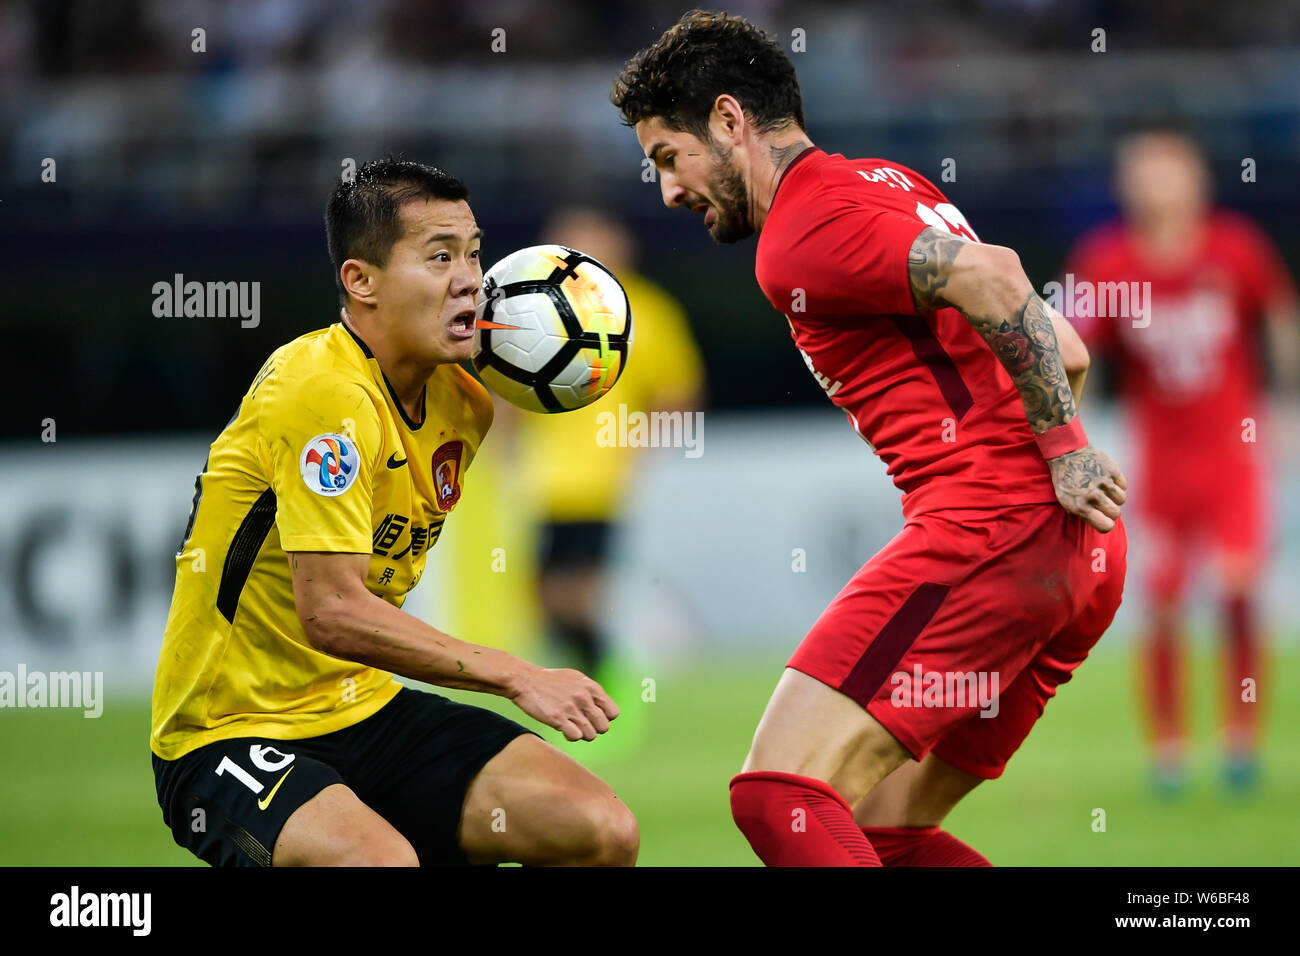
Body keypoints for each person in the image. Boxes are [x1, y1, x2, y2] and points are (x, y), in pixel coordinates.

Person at [613, 10, 1128, 866]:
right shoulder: (890, 181)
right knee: (886, 833)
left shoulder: (801, 235)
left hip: (990, 531)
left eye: (669, 157)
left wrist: (1061, 453)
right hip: (1081, 555)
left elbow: (995, 277)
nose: (669, 189)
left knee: (780, 799)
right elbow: (1063, 347)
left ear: (731, 121)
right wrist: (1053, 462)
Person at [150, 158, 638, 866]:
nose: (471, 276)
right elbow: (333, 612)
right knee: (379, 863)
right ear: (362, 282)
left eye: (473, 253)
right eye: (440, 256)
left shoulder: (464, 405)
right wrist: (517, 673)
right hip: (229, 730)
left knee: (598, 829)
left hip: (368, 709)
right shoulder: (319, 388)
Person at [1065, 125, 1300, 793]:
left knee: (1237, 589)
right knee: (1162, 600)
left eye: (1165, 168)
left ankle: (1240, 740)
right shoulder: (1106, 260)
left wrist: (1285, 405)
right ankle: (1168, 750)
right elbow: (1074, 347)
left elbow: (1279, 315)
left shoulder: (1235, 248)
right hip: (1158, 463)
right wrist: (1073, 436)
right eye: (1139, 170)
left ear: (1196, 177)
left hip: (1232, 453)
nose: (1153, 182)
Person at [516, 207, 705, 678]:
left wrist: (644, 448)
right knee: (542, 597)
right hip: (545, 477)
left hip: (605, 478)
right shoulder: (539, 308)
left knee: (580, 591)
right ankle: (592, 676)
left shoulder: (648, 311)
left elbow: (679, 391)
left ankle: (603, 681)